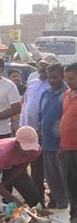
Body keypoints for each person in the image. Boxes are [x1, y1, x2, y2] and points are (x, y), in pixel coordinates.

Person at [20, 58, 52, 203]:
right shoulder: (33, 82)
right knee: (34, 166)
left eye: (46, 67)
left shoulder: (54, 85)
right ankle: (37, 197)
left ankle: (53, 196)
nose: (42, 69)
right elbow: (26, 105)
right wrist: (21, 127)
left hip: (45, 133)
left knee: (47, 167)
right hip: (28, 132)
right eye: (41, 65)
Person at [39, 63, 69, 209]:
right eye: (49, 77)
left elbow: (68, 122)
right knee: (51, 178)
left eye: (55, 77)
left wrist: (63, 144)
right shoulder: (46, 94)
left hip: (61, 145)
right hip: (46, 143)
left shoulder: (68, 95)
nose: (51, 80)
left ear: (63, 77)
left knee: (64, 179)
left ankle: (65, 208)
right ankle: (59, 204)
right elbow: (41, 116)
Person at [60, 62, 77, 220]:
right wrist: (61, 146)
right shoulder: (67, 94)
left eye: (71, 78)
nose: (68, 81)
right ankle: (74, 214)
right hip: (67, 148)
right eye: (66, 78)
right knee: (70, 184)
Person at [8, 68, 26, 136]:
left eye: (17, 76)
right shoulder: (6, 87)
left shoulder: (24, 88)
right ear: (9, 78)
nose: (16, 78)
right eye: (13, 76)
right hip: (6, 117)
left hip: (18, 117)